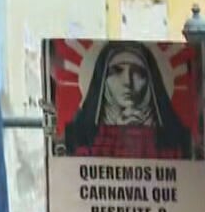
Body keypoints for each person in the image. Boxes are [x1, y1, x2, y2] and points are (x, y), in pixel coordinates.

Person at [62, 42, 196, 159]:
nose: (128, 81)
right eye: (116, 71)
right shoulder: (77, 135)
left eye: (138, 72)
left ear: (151, 82)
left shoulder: (178, 138)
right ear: (102, 80)